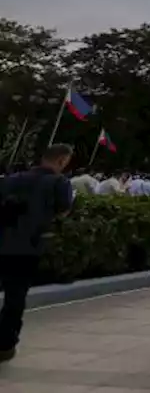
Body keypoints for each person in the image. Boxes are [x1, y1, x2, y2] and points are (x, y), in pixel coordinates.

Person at [0, 143, 74, 361]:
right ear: (61, 160)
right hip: (28, 247)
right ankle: (4, 344)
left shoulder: (12, 179)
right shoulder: (59, 182)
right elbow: (63, 211)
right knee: (15, 297)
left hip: (3, 241)